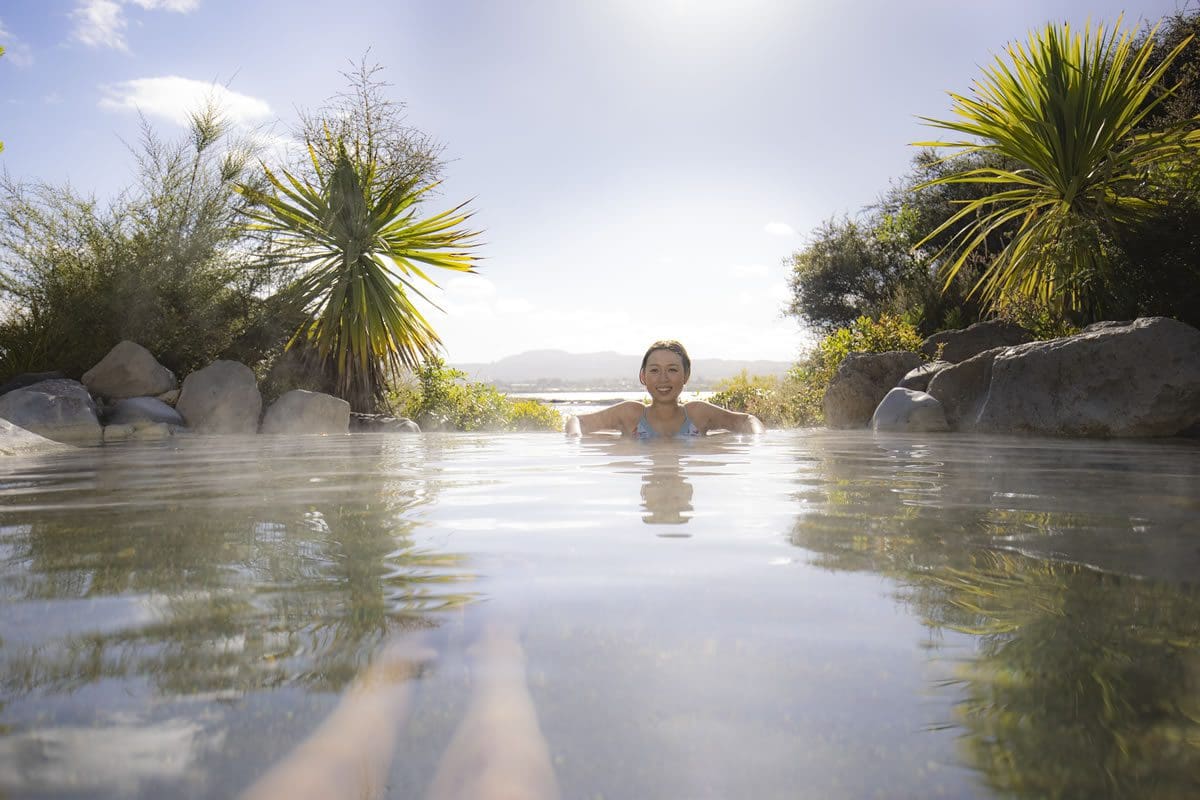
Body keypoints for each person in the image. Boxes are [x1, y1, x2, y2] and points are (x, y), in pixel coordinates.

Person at [563, 340, 765, 437]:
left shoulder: (698, 414)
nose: (663, 379)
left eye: (672, 370)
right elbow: (577, 421)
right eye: (654, 370)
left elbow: (748, 421)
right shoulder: (630, 414)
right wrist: (574, 442)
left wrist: (758, 443)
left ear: (686, 375)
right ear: (643, 376)